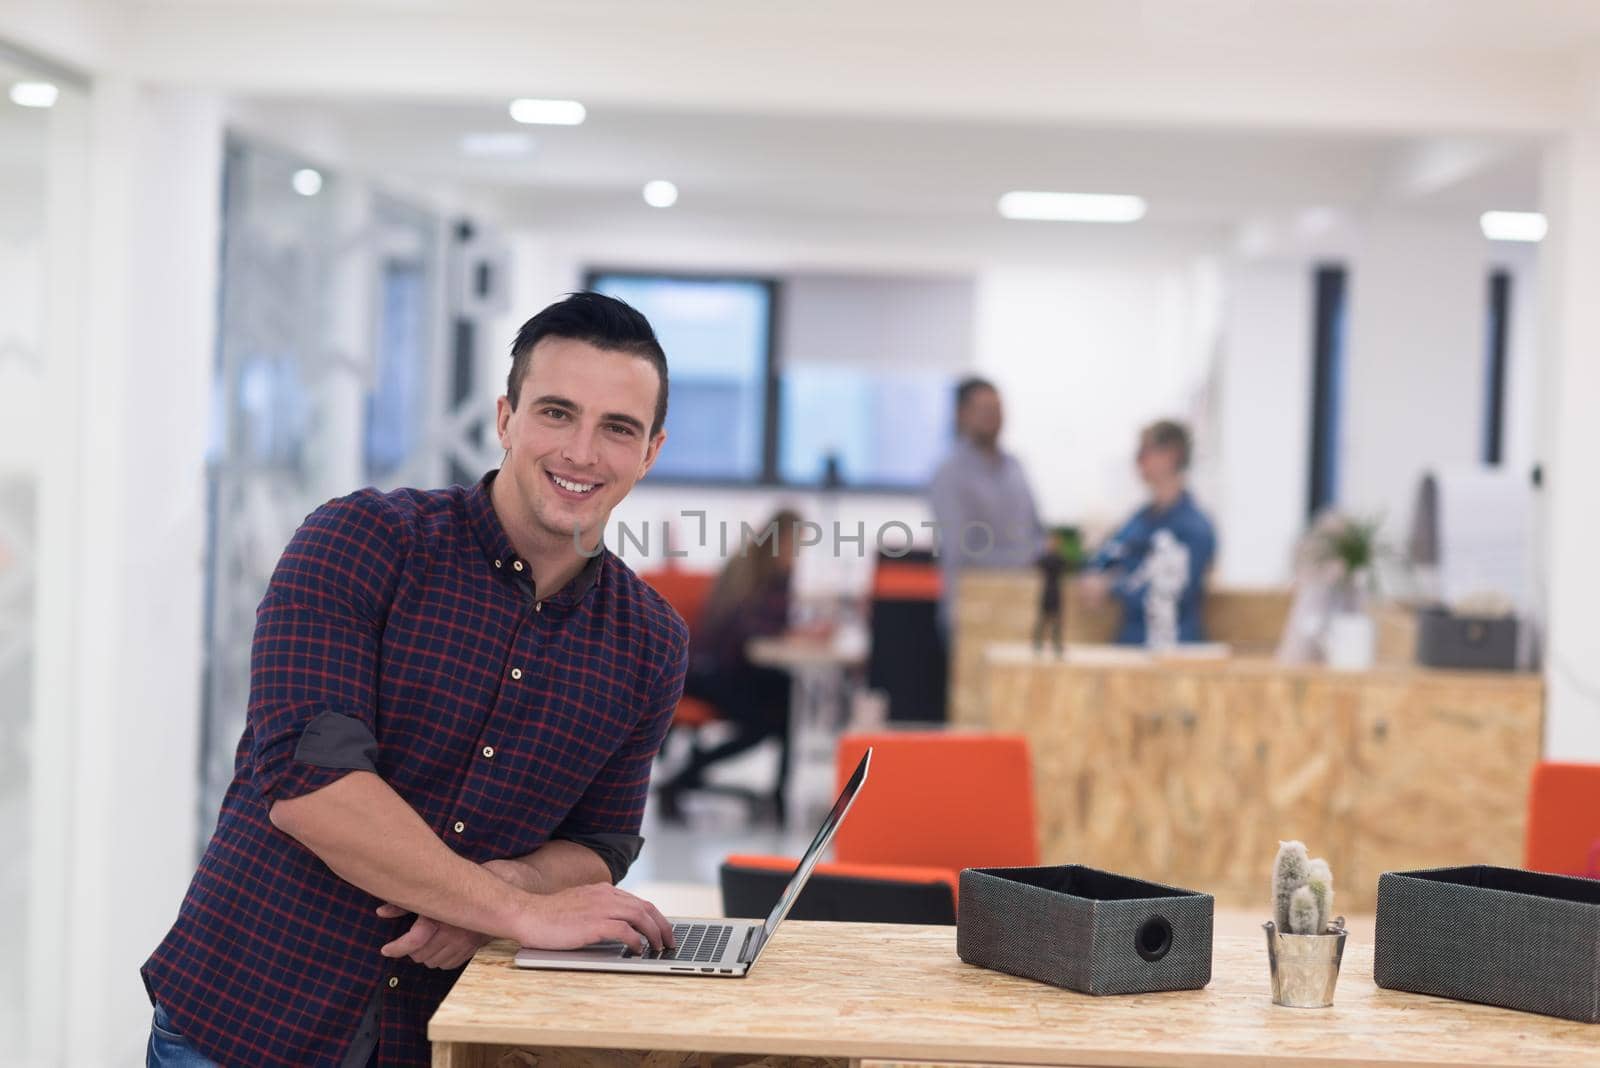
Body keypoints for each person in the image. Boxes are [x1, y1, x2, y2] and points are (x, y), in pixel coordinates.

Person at [142, 293, 690, 1067]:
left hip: (443, 1038)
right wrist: (512, 909)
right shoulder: (361, 540)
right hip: (248, 1021)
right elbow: (310, 783)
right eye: (557, 413)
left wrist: (511, 883)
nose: (583, 452)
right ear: (505, 418)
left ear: (651, 452)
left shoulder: (651, 642)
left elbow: (600, 842)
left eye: (618, 429)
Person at [656, 509, 801, 823]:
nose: (798, 553)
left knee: (787, 694)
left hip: (719, 670)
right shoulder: (757, 574)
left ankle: (696, 770)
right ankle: (686, 776)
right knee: (776, 716)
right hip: (710, 674)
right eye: (796, 544)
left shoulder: (750, 565)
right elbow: (749, 632)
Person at [1080, 419, 1217, 646]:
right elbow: (1103, 559)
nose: (1138, 461)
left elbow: (1170, 590)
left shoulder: (1196, 527)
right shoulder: (1139, 520)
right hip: (1131, 647)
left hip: (1174, 651)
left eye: (1146, 452)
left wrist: (1113, 586)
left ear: (1172, 455)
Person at [927, 378, 1044, 633]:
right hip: (974, 613)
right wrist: (1028, 558)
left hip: (1022, 609)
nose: (994, 417)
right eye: (984, 409)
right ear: (962, 415)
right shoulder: (949, 474)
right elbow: (962, 551)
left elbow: (1036, 530)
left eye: (998, 409)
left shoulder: (1015, 467)